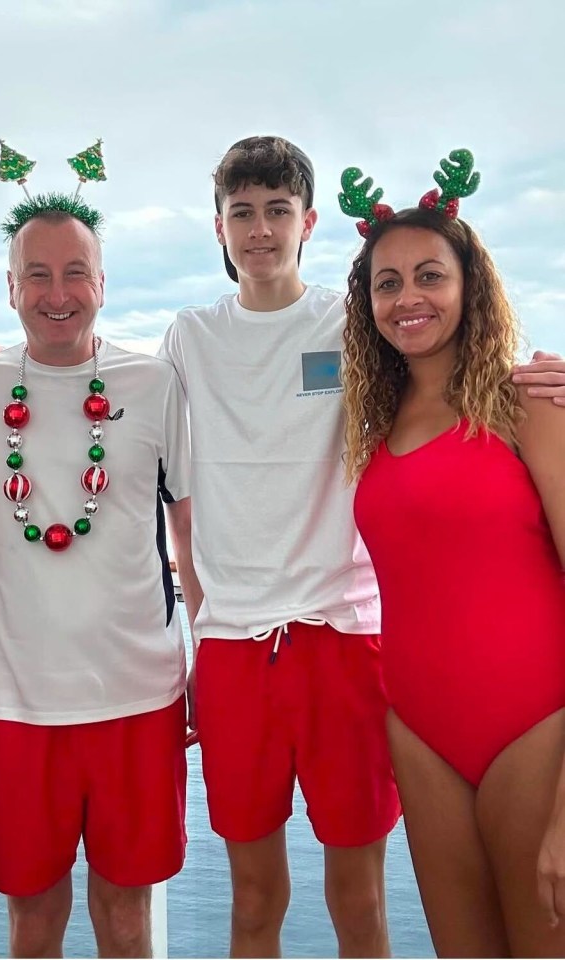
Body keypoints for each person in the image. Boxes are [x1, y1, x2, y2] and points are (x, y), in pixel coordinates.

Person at [157, 135, 399, 959]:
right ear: (219, 229)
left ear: (309, 222)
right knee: (254, 898)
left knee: (358, 900)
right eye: (242, 213)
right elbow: (160, 483)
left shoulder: (351, 319)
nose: (260, 229)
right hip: (233, 650)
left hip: (345, 638)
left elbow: (452, 363)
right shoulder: (189, 337)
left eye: (277, 211)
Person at [0, 193, 192, 959]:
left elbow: (190, 526)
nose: (57, 295)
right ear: (11, 289)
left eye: (75, 272)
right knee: (34, 919)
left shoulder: (151, 381)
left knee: (125, 916)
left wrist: (206, 657)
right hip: (20, 703)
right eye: (37, 275)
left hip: (139, 697)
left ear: (103, 283)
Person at [341, 149, 565, 958]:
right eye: (387, 282)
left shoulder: (530, 405)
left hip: (538, 731)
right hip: (421, 735)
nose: (408, 298)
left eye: (429, 275)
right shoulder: (376, 430)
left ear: (470, 286)